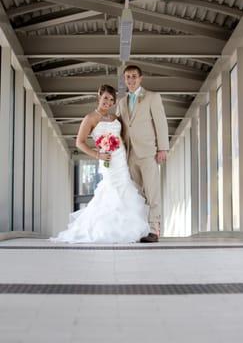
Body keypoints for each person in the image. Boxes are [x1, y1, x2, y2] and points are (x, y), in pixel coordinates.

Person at [50, 84, 150, 244]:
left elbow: (123, 138)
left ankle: (125, 230)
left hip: (121, 160)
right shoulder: (90, 118)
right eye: (105, 98)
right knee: (111, 191)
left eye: (111, 100)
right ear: (99, 97)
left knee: (125, 189)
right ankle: (107, 230)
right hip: (107, 160)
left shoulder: (115, 118)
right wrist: (98, 154)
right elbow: (79, 143)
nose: (108, 102)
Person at [117, 65, 169, 243]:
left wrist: (163, 148)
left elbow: (161, 123)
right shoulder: (122, 102)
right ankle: (140, 229)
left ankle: (154, 229)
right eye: (127, 77)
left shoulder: (152, 97)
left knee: (152, 192)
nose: (130, 80)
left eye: (133, 77)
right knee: (137, 195)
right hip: (130, 153)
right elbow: (120, 127)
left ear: (141, 78)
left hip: (148, 152)